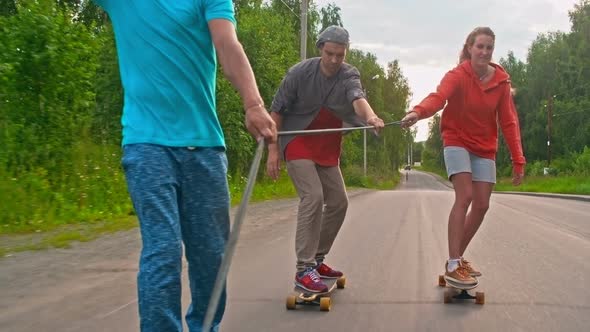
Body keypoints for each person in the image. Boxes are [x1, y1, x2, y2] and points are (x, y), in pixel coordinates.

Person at [92, 1, 277, 331]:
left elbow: (227, 44)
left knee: (210, 259)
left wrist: (253, 103)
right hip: (146, 143)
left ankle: (205, 326)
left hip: (203, 145)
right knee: (162, 251)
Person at [401, 27, 525, 286]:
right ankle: (455, 263)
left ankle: (455, 259)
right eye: (479, 46)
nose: (484, 51)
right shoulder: (458, 75)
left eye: (489, 47)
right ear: (469, 48)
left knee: (482, 204)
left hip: (484, 146)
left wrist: (518, 160)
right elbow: (438, 98)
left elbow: (509, 122)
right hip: (456, 139)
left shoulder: (501, 82)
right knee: (465, 196)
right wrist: (417, 112)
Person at [266, 26, 385, 293]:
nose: (334, 60)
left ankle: (317, 259)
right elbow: (276, 110)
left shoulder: (348, 74)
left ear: (345, 54)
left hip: (326, 146)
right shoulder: (300, 73)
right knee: (313, 197)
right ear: (320, 48)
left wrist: (371, 118)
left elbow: (358, 99)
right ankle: (303, 268)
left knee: (339, 202)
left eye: (340, 55)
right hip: (297, 141)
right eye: (329, 53)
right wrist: (273, 151)